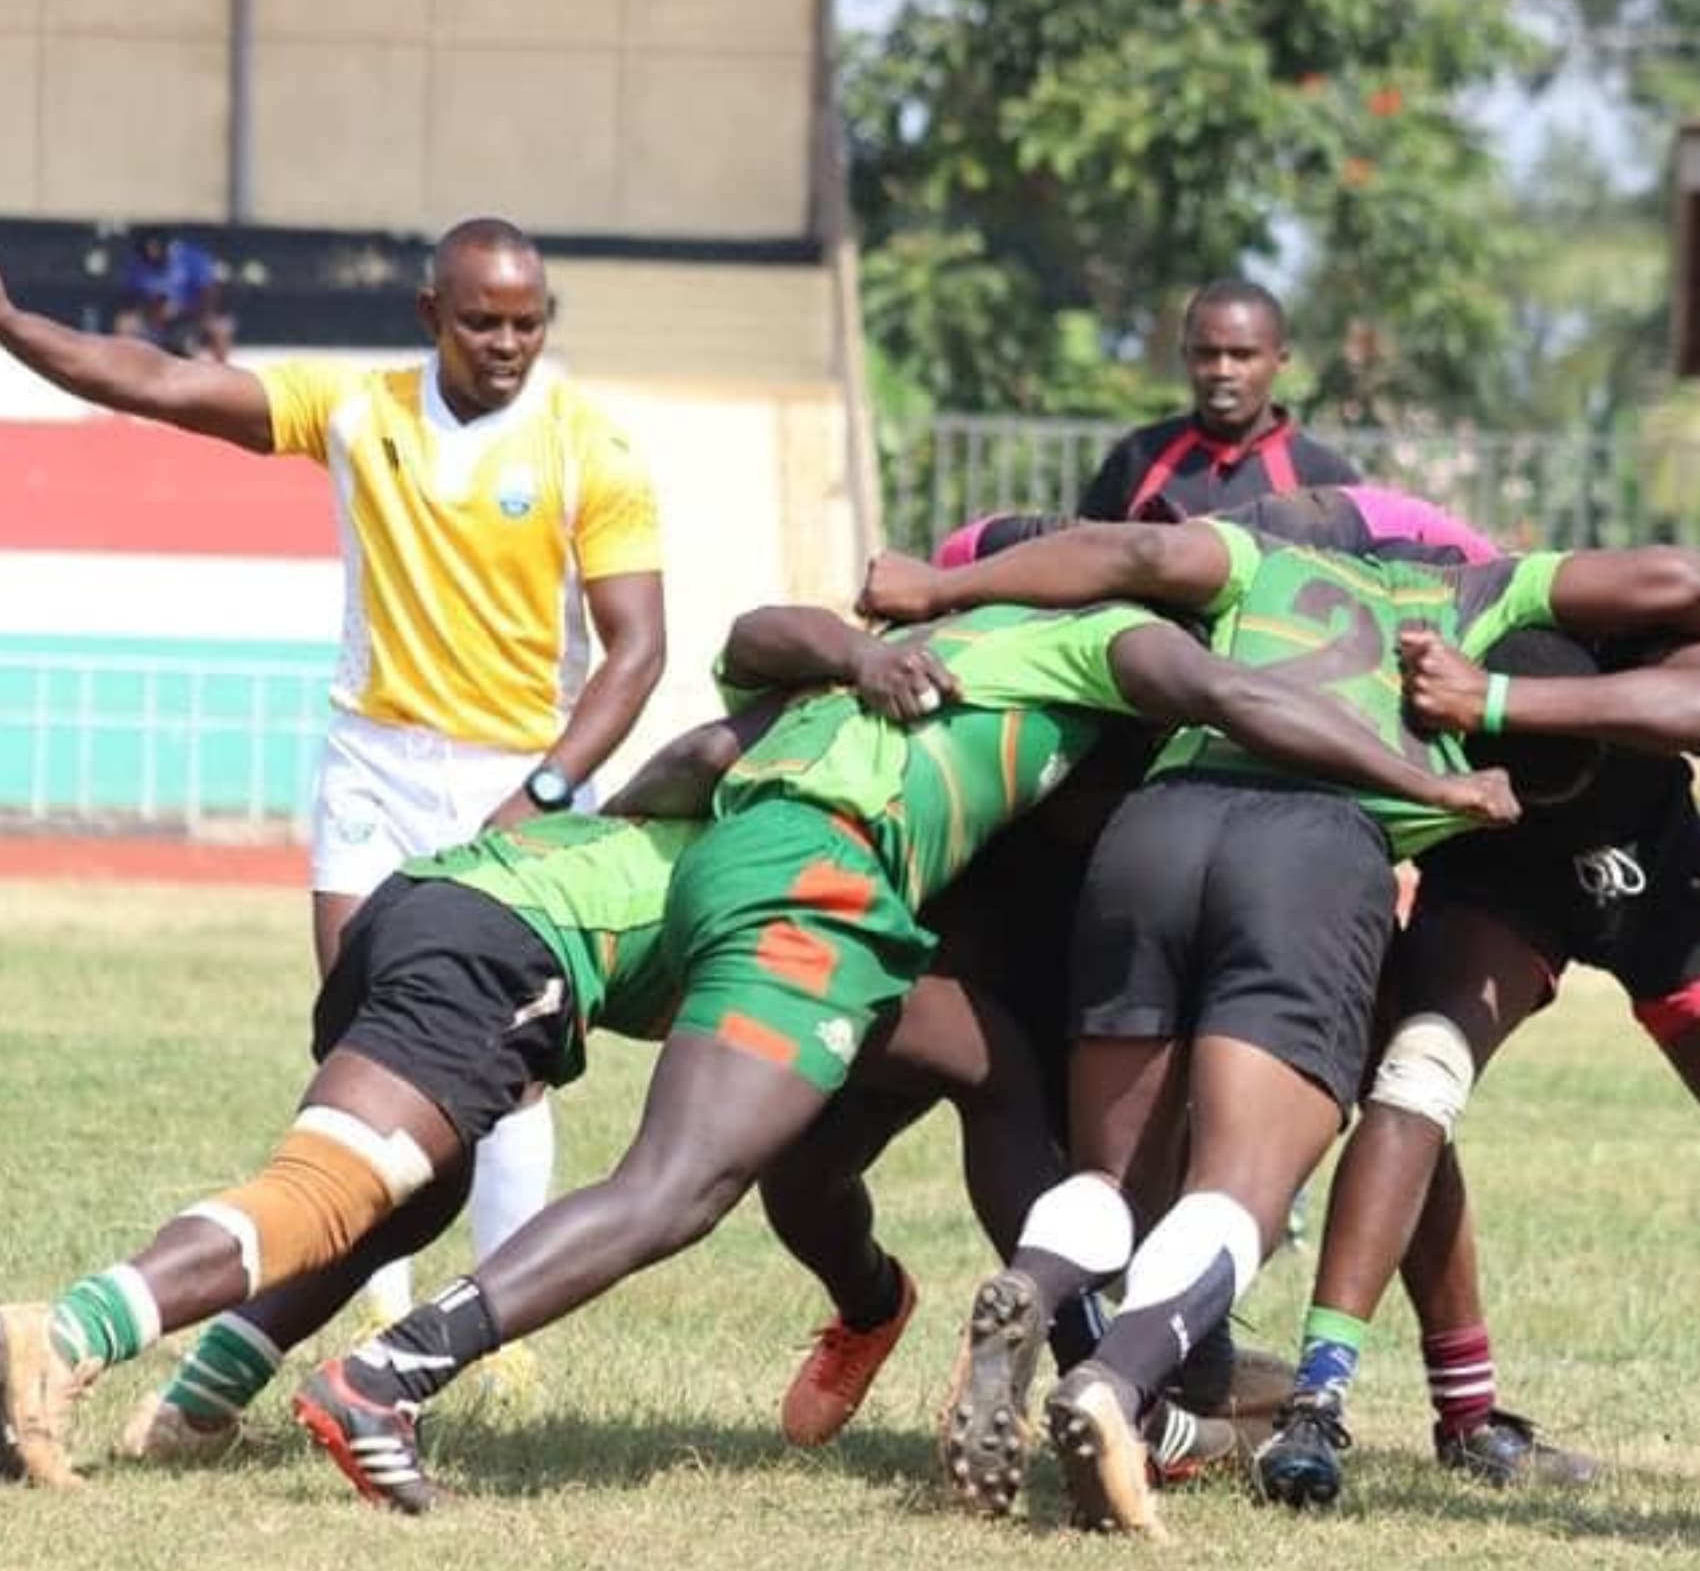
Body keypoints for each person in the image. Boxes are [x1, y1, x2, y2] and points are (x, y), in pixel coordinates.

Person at [289, 595, 1513, 1514]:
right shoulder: (1108, 640)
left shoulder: (925, 640)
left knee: (984, 1080)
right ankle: (390, 1374)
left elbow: (730, 696)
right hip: (826, 889)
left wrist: (836, 664)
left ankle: (976, 1337)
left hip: (776, 875)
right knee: (679, 1183)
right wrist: (1423, 781)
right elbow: (1238, 700)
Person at [861, 518, 1700, 1539]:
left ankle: (1033, 1281)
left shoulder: (1255, 559)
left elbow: (1133, 556)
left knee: (1112, 1176)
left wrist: (935, 585)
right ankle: (1113, 1379)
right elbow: (1676, 575)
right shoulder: (1474, 590)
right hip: (1312, 851)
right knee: (1242, 1184)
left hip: (1159, 824)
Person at [1252, 355, 1700, 1514]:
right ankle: (1326, 1396)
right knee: (1415, 1083)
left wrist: (1503, 706)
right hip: (1502, 876)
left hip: (1657, 871)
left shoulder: (1630, 596)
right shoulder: (1428, 607)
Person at [0, 218, 669, 1340]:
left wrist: (546, 793)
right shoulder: (359, 410)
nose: (507, 342)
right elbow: (164, 382)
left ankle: (492, 1326)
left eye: (527, 321)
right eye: (480, 321)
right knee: (360, 1043)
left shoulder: (591, 447)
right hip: (376, 765)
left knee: (509, 1077)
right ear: (428, 318)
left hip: (523, 777)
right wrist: (15, 326)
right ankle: (372, 1302)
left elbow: (637, 649)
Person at [0, 808, 700, 1489]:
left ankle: (196, 1408)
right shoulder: (790, 879)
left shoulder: (742, 806)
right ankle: (65, 1335)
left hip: (427, 899)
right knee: (325, 1191)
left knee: (411, 1199)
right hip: (506, 945)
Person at [1076, 280, 1359, 522]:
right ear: (1185, 356)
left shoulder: (1326, 477)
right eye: (1207, 354)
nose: (1223, 371)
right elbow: (1083, 560)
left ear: (1280, 360)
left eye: (1242, 355)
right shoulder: (1139, 456)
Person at [113, 231, 234, 362]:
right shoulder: (138, 265)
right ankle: (127, 369)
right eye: (148, 251)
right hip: (155, 319)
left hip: (192, 314)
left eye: (156, 250)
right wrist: (151, 312)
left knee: (221, 328)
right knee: (125, 324)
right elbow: (132, 297)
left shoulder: (188, 258)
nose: (152, 254)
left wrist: (199, 316)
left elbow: (208, 290)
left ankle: (224, 370)